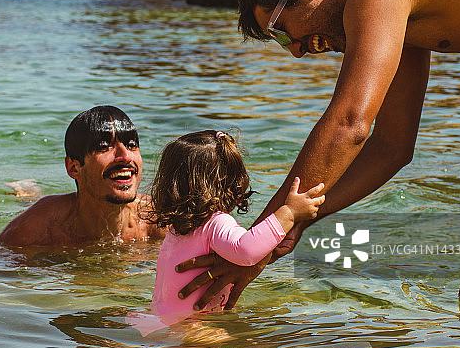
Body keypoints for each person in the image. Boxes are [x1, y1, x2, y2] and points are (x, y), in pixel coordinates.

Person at [175, 0, 460, 317]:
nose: (297, 52)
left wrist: (259, 239)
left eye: (283, 33)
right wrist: (295, 220)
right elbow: (392, 146)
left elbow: (350, 123)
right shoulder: (397, 4)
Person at [127, 130, 324, 335]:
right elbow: (246, 250)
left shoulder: (179, 228)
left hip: (162, 320)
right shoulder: (215, 224)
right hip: (191, 327)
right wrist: (289, 213)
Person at [0, 105, 165, 246]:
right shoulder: (41, 226)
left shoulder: (159, 219)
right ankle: (27, 192)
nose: (126, 156)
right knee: (34, 205)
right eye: (104, 146)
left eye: (131, 145)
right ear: (73, 168)